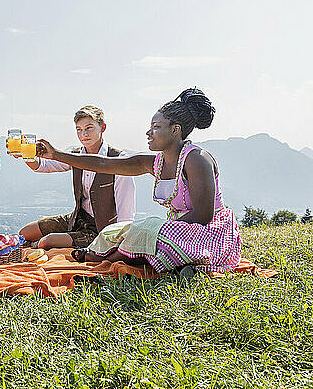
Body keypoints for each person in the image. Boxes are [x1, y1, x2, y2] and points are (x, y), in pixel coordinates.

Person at [36, 88, 241, 274]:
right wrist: (55, 154)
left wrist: (157, 229)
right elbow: (103, 164)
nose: (148, 133)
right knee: (116, 231)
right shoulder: (154, 162)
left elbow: (204, 216)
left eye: (156, 127)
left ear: (175, 130)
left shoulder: (197, 159)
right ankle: (133, 260)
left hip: (210, 235)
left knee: (147, 230)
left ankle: (105, 261)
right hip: (178, 230)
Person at [17, 105, 136, 250]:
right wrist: (25, 154)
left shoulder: (119, 160)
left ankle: (39, 248)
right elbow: (42, 166)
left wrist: (117, 242)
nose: (83, 134)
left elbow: (126, 213)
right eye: (79, 129)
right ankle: (40, 246)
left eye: (89, 128)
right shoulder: (75, 155)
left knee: (46, 242)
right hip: (77, 218)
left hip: (101, 230)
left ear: (103, 128)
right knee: (25, 233)